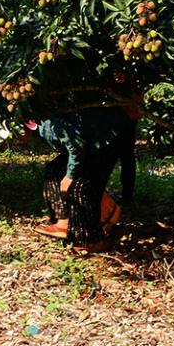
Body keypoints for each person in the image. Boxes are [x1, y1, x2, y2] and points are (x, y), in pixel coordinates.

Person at [33, 106, 135, 252]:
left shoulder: (49, 126)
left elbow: (76, 147)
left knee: (81, 188)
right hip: (89, 143)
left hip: (107, 139)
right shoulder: (39, 127)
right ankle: (64, 221)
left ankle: (93, 240)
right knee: (54, 170)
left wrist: (70, 175)